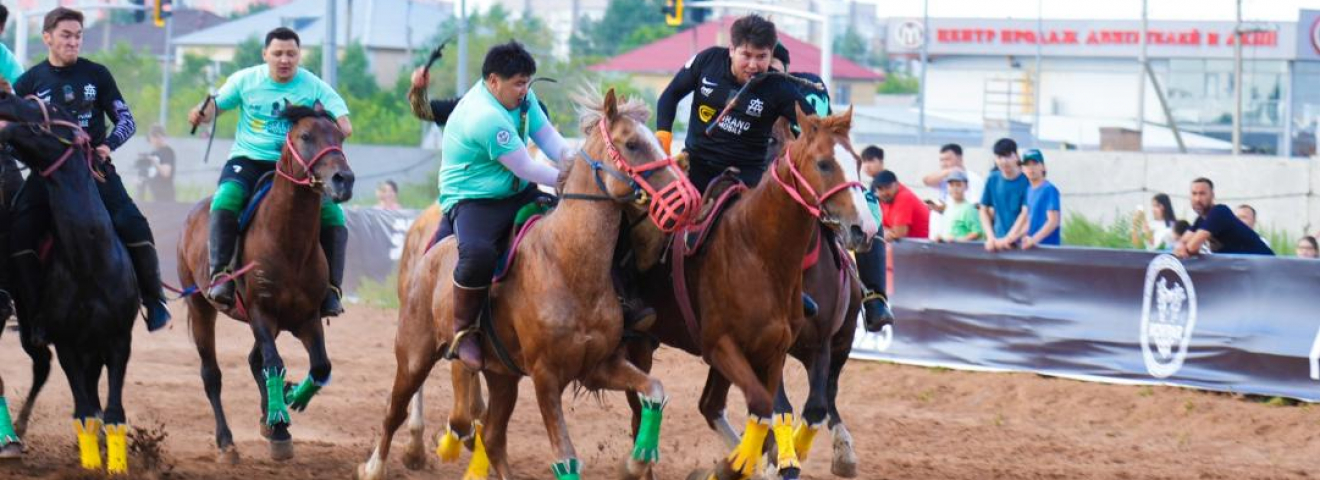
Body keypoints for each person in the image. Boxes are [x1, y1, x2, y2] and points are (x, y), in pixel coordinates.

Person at [411, 41, 574, 371]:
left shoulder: (525, 100)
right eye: (518, 83)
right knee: (478, 254)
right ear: (493, 81)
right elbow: (525, 168)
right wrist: (570, 178)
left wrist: (582, 165)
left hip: (517, 191)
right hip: (473, 198)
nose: (524, 90)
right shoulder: (484, 116)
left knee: (573, 225)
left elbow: (553, 143)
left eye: (527, 82)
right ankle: (463, 331)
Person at [10, 7, 170, 339]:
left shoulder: (97, 75)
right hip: (47, 175)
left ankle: (154, 300)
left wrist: (107, 146)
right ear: (47, 38)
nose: (73, 41)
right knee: (19, 232)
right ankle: (34, 314)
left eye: (78, 36)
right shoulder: (28, 82)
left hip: (94, 171)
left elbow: (126, 121)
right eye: (66, 35)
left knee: (133, 222)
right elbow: (14, 132)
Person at [187, 27, 354, 317]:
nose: (284, 59)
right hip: (250, 160)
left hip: (297, 167)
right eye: (278, 53)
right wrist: (201, 114)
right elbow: (215, 107)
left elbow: (345, 126)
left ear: (299, 56)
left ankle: (331, 290)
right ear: (265, 55)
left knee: (334, 215)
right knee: (226, 197)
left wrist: (325, 126)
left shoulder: (314, 86)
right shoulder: (245, 80)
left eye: (291, 53)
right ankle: (221, 276)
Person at [655, 14, 815, 191]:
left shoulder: (779, 88)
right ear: (732, 49)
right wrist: (664, 139)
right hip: (695, 166)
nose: (753, 65)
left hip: (745, 178)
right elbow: (670, 95)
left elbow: (815, 128)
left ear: (771, 54)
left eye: (762, 57)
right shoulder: (708, 60)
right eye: (746, 55)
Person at [1175, 178, 1274, 258]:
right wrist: (1182, 247)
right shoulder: (1200, 220)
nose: (1197, 199)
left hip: (1265, 267)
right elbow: (1182, 242)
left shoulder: (1220, 212)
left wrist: (1185, 250)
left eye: (1202, 194)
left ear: (1212, 196)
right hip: (1245, 269)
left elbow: (1192, 247)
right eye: (1194, 194)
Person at [0, 2, 24, 320]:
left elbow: (31, 93)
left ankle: (11, 289)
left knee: (23, 205)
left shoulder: (6, 58)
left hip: (2, 152)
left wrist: (12, 97)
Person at [979, 138, 1030, 251]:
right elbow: (983, 210)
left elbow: (1026, 214)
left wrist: (1009, 238)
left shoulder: (1027, 181)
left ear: (1016, 156)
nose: (1003, 161)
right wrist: (990, 237)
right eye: (999, 157)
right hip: (997, 243)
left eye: (1007, 156)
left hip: (1022, 244)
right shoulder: (992, 179)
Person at [1009, 149, 1061, 249]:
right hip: (1033, 250)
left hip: (1049, 251)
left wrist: (1034, 240)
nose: (1031, 168)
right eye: (1027, 165)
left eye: (1035, 163)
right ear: (1022, 169)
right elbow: (1031, 222)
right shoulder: (1028, 190)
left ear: (1043, 167)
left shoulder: (1049, 189)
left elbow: (1053, 221)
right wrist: (1015, 237)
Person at [921, 143, 983, 215]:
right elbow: (926, 181)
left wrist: (945, 210)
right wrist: (949, 171)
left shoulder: (973, 179)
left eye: (947, 159)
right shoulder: (944, 178)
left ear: (960, 159)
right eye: (941, 160)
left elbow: (977, 207)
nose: (944, 164)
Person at [872, 171, 930, 241]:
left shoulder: (903, 197)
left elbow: (898, 235)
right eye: (880, 189)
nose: (884, 192)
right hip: (909, 246)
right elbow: (880, 227)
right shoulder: (886, 199)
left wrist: (884, 233)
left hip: (924, 245)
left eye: (887, 187)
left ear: (897, 185)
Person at [935, 170, 982, 242]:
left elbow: (977, 232)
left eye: (958, 185)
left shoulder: (969, 209)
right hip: (947, 250)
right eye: (951, 185)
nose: (955, 188)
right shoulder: (949, 208)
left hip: (961, 251)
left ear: (966, 187)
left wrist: (957, 240)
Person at [138, 124, 176, 202]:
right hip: (154, 196)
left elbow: (166, 173)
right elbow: (148, 175)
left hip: (166, 197)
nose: (155, 140)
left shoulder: (167, 152)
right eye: (153, 137)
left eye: (157, 136)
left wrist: (154, 161)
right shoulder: (153, 153)